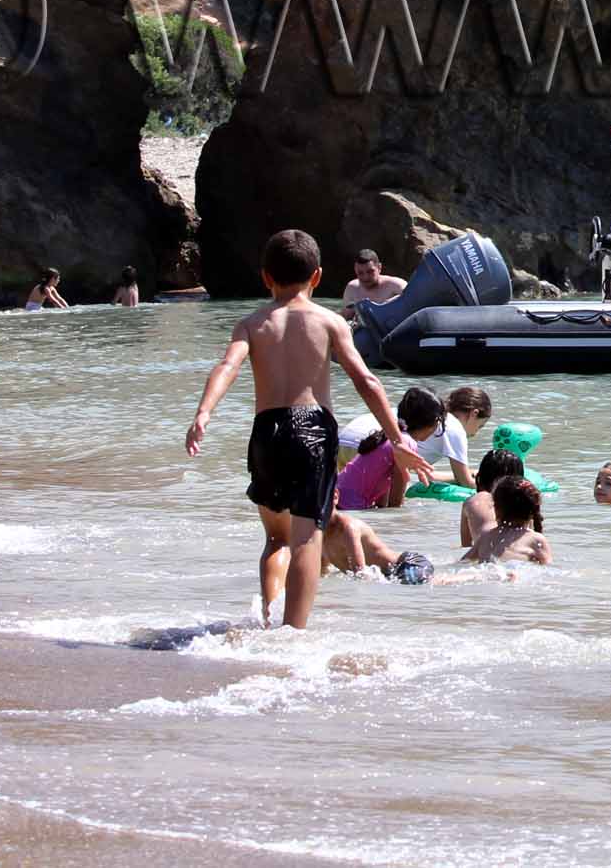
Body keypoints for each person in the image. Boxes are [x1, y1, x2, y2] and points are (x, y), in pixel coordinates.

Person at [184, 229, 433, 629]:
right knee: (306, 538)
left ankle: (268, 619)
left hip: (267, 431)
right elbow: (367, 381)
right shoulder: (330, 321)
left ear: (266, 277)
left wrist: (204, 413)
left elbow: (227, 366)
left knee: (276, 539)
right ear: (317, 276)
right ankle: (292, 632)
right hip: (313, 429)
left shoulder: (251, 324)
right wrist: (396, 438)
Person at [462, 477, 551, 567]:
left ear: (496, 509)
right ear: (533, 511)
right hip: (518, 571)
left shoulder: (486, 537)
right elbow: (547, 568)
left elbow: (463, 562)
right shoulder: (536, 540)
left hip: (488, 572)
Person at [460, 448, 528, 549]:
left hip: (485, 553)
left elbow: (466, 545)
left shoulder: (472, 502)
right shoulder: (524, 503)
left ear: (481, 477)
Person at [339, 249, 405, 323]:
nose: (366, 277)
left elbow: (413, 299)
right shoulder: (352, 288)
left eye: (370, 271)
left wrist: (391, 302)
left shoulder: (395, 285)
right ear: (355, 270)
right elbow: (345, 318)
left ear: (379, 267)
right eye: (360, 273)